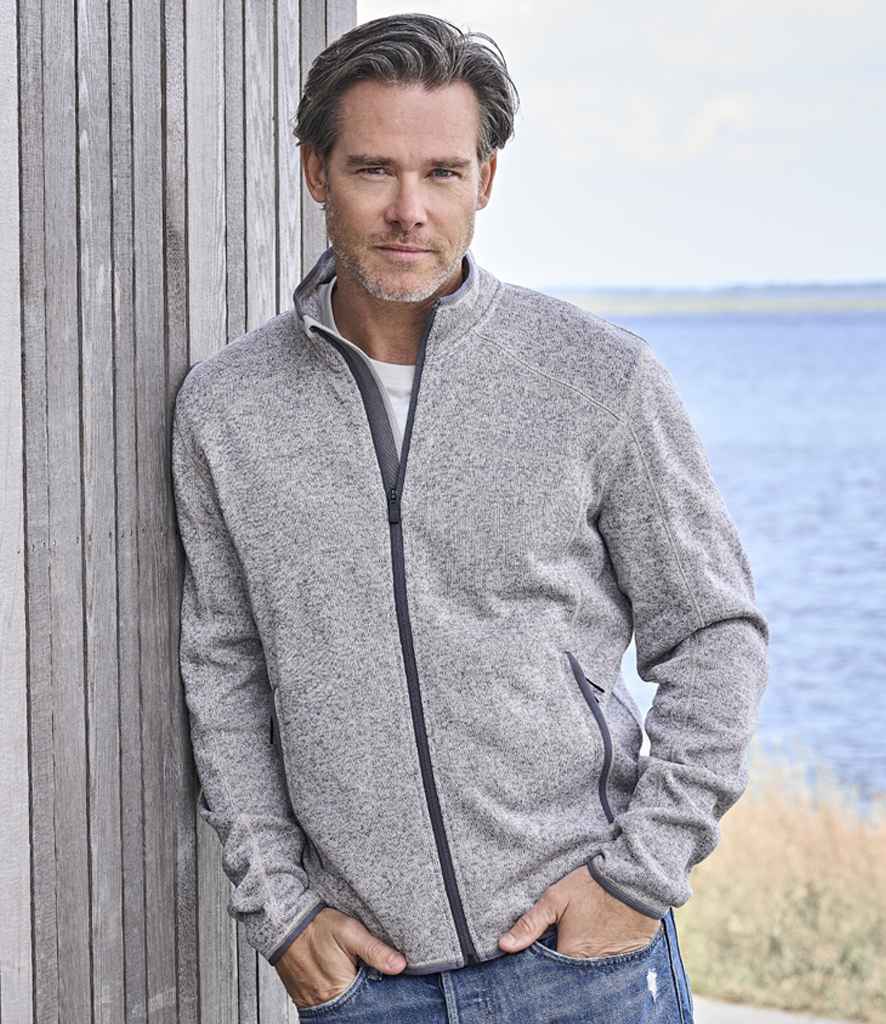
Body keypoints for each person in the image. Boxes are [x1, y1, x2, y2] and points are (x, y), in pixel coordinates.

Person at [170, 13, 768, 1022]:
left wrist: (639, 876)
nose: (409, 210)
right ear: (315, 172)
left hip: (584, 965)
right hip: (368, 983)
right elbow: (225, 670)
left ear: (484, 180)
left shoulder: (596, 376)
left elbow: (714, 633)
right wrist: (280, 913)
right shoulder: (229, 409)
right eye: (373, 170)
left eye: (442, 172)